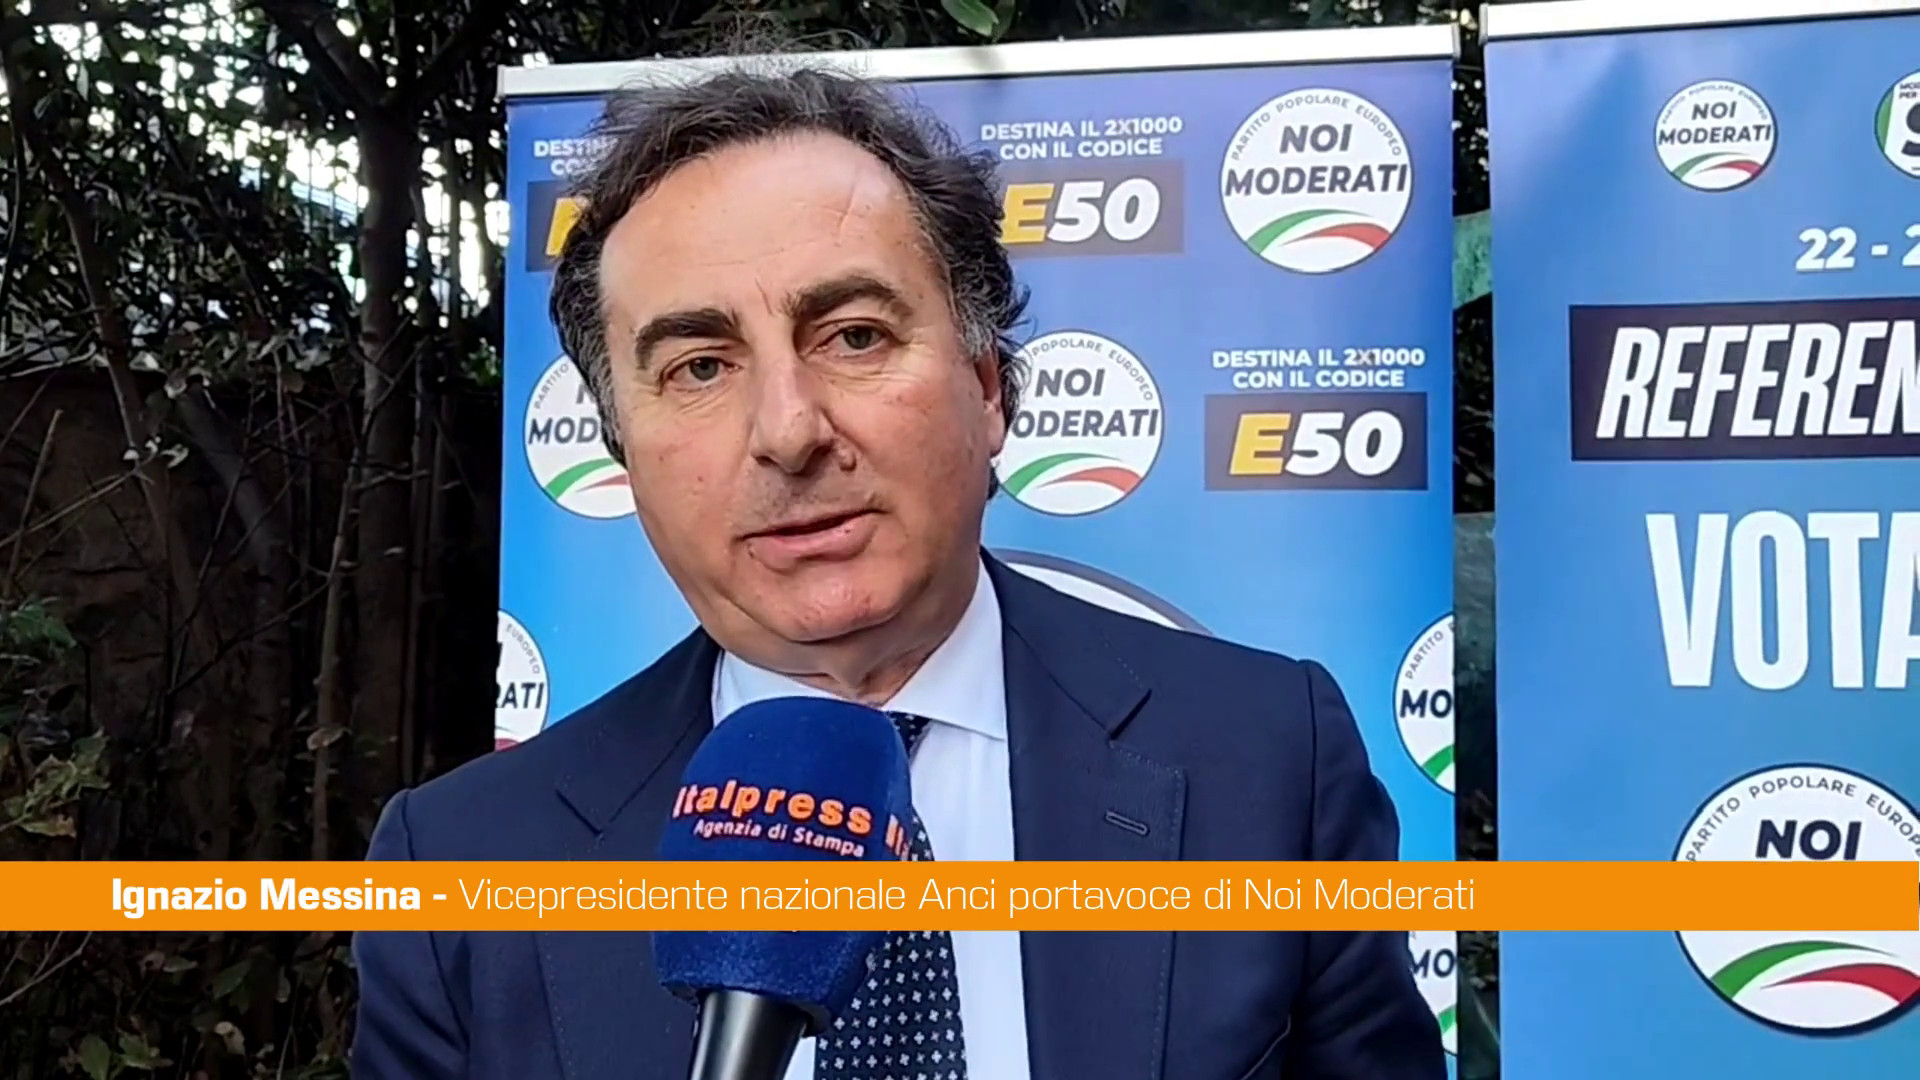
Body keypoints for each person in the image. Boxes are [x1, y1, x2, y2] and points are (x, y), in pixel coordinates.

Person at [350, 59, 1445, 1080]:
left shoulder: (1269, 759)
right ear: (622, 448)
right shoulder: (459, 873)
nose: (788, 431)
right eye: (700, 367)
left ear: (989, 386)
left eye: (855, 337)